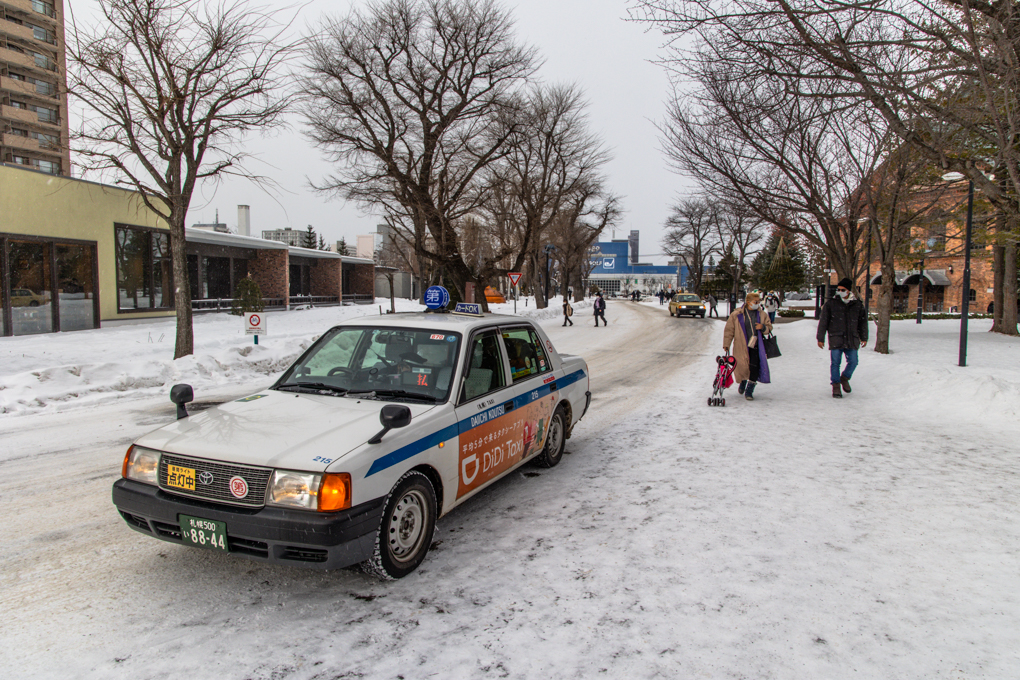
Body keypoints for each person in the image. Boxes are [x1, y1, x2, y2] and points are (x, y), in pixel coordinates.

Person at [817, 278, 868, 398]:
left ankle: (844, 378)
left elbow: (862, 323)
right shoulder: (831, 304)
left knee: (853, 361)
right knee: (835, 363)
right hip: (836, 337)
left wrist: (864, 337)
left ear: (849, 290)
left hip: (852, 338)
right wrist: (820, 338)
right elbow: (823, 321)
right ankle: (835, 385)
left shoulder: (857, 305)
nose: (840, 292)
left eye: (842, 290)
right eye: (838, 289)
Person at [723, 291, 773, 401]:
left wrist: (763, 327)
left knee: (755, 367)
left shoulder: (762, 314)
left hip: (756, 345)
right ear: (748, 302)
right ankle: (743, 381)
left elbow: (769, 327)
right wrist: (726, 344)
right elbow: (729, 330)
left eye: (759, 302)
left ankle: (749, 390)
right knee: (742, 366)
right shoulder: (737, 314)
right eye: (755, 302)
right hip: (741, 345)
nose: (757, 304)